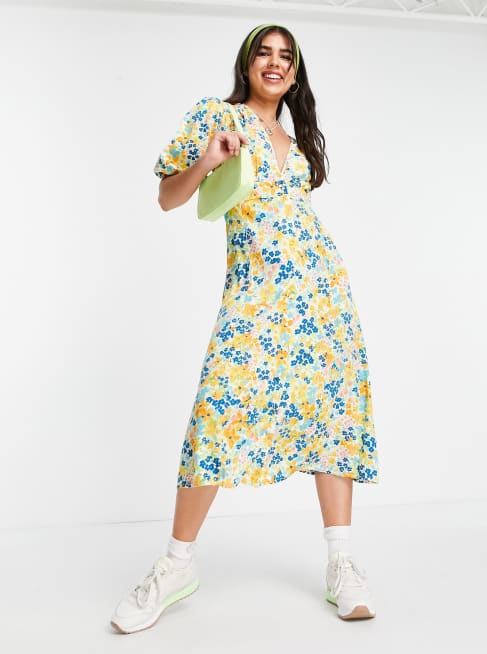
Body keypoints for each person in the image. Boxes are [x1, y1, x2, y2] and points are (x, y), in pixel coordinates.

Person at [110, 23, 379, 635]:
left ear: (295, 73)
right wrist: (209, 159)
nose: (275, 63)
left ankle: (342, 563)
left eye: (287, 57)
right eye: (265, 52)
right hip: (255, 295)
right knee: (217, 413)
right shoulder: (217, 117)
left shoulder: (296, 140)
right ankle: (176, 564)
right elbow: (168, 198)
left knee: (333, 415)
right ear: (248, 62)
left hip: (322, 294)